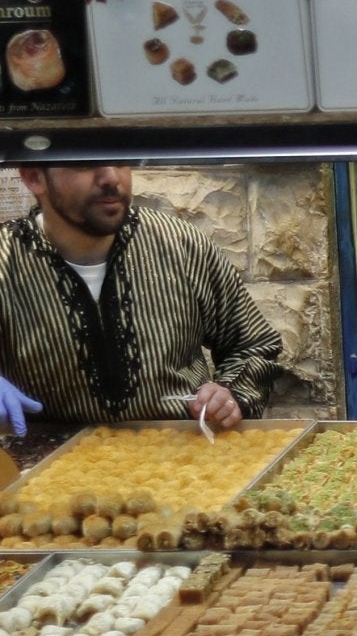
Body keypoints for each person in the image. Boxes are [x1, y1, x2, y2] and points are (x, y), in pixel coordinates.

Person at [0, 162, 281, 433]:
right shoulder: (5, 262)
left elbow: (253, 345)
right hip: (47, 469)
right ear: (35, 178)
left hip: (185, 464)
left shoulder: (179, 243)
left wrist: (229, 394)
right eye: (85, 164)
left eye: (121, 160)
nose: (111, 177)